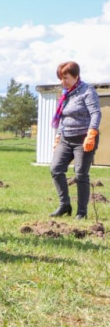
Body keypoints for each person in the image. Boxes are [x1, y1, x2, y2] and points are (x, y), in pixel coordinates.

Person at [49, 61, 101, 219]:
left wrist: (91, 133)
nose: (62, 81)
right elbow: (63, 117)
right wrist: (58, 135)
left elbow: (95, 113)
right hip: (66, 138)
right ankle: (65, 205)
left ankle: (82, 212)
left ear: (76, 76)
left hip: (83, 139)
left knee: (80, 174)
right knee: (56, 169)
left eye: (65, 77)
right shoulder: (66, 94)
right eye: (60, 78)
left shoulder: (87, 91)